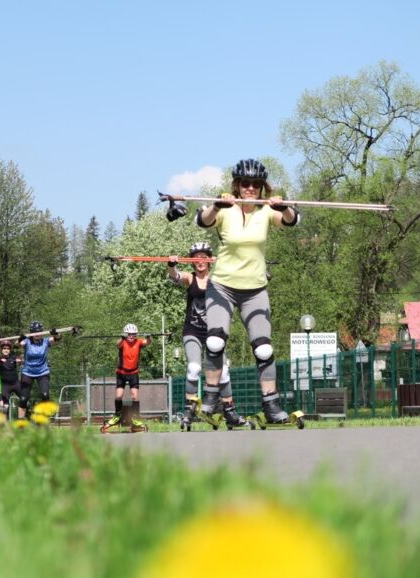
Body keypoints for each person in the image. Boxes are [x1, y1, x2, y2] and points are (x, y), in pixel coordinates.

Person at [194, 158, 299, 424]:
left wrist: (285, 206)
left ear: (262, 187)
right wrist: (217, 204)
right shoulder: (226, 209)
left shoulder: (266, 211)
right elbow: (203, 220)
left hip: (255, 289)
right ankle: (210, 400)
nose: (250, 188)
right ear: (238, 185)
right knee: (215, 341)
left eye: (256, 184)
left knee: (263, 349)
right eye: (245, 183)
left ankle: (272, 405)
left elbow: (292, 220)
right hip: (223, 287)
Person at [168, 242, 245, 429]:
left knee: (224, 371)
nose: (200, 261)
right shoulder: (190, 278)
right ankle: (189, 408)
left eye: (203, 257)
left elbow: (239, 278)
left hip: (214, 333)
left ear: (209, 260)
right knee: (194, 368)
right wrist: (172, 265)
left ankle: (229, 410)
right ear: (193, 262)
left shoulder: (218, 279)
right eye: (196, 258)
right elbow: (175, 276)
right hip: (192, 331)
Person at [103, 324, 152, 432]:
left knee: (135, 396)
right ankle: (117, 416)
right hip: (121, 373)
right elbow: (118, 344)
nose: (131, 336)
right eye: (129, 334)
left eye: (133, 334)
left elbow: (147, 342)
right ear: (126, 334)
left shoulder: (138, 342)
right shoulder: (122, 342)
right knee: (119, 396)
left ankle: (135, 418)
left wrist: (149, 337)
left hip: (133, 373)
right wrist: (122, 338)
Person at [18, 321, 60, 420]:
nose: (37, 334)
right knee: (23, 398)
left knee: (45, 395)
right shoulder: (27, 342)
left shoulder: (45, 341)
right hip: (27, 372)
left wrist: (56, 334)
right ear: (31, 333)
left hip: (42, 372)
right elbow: (18, 344)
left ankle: (44, 419)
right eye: (35, 332)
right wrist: (20, 338)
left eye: (39, 332)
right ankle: (20, 422)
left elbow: (57, 339)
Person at [0, 340, 24, 417]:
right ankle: (4, 425)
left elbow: (20, 360)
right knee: (5, 406)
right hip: (5, 386)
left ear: (10, 350)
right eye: (4, 348)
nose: (6, 350)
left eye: (8, 348)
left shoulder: (14, 358)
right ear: (1, 349)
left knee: (24, 399)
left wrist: (20, 360)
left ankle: (22, 421)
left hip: (15, 384)